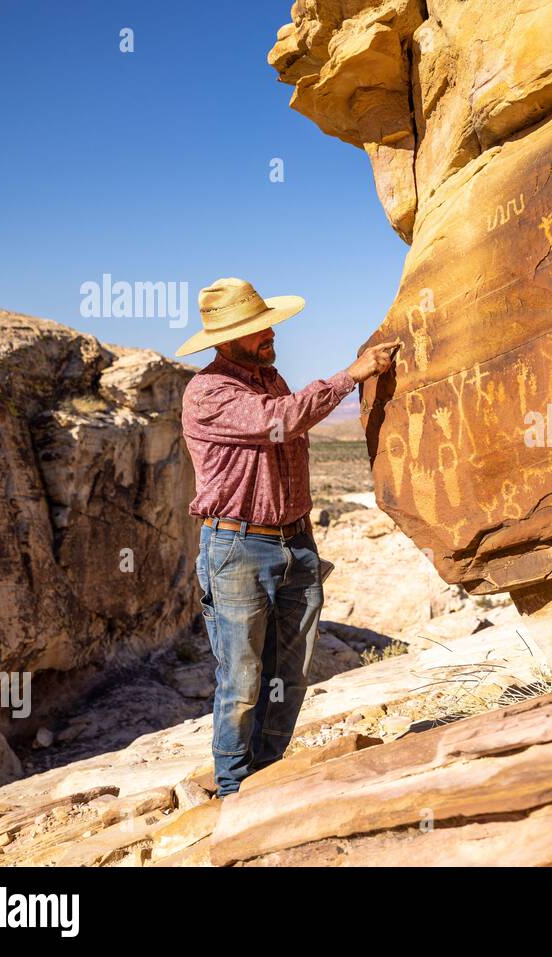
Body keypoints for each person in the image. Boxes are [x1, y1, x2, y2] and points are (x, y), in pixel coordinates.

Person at [175, 277, 397, 796]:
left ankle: (268, 777)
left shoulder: (268, 377)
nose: (269, 335)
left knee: (291, 671)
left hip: (295, 542)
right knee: (243, 680)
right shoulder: (208, 391)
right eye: (257, 330)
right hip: (238, 548)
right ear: (225, 340)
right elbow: (281, 420)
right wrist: (351, 375)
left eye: (267, 324)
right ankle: (232, 791)